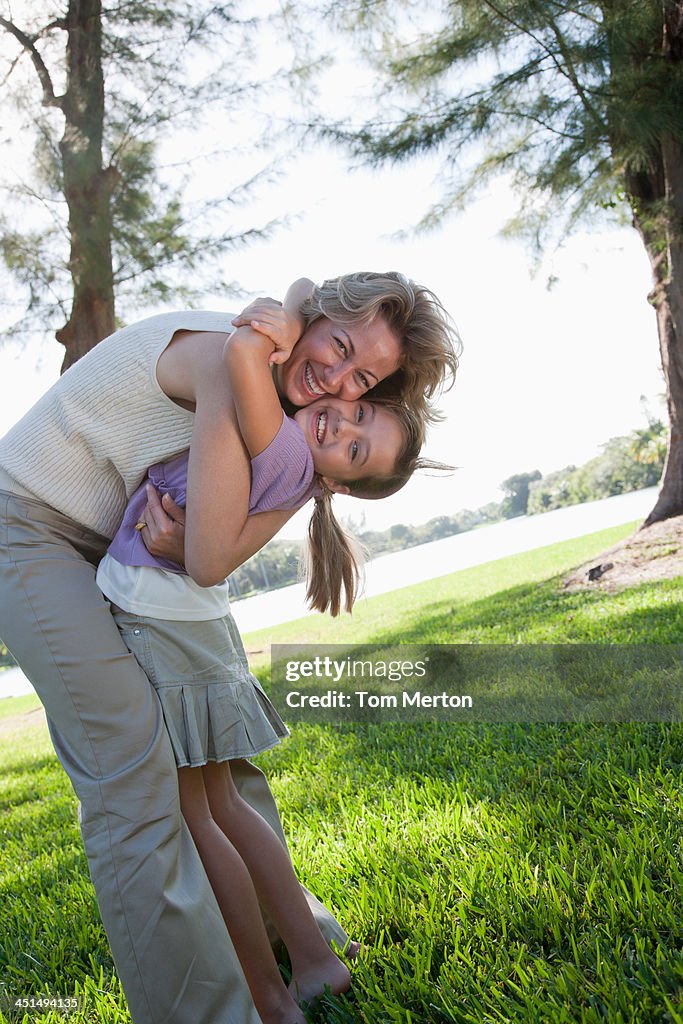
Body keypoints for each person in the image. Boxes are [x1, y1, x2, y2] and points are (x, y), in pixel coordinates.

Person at [0, 271, 460, 1024]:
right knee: (133, 766)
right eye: (339, 346)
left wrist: (196, 537)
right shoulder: (228, 356)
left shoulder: (281, 404)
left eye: (363, 379)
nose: (337, 382)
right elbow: (213, 550)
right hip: (28, 528)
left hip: (117, 549)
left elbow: (210, 551)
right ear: (310, 319)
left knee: (219, 774)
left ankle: (299, 951)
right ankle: (217, 1010)